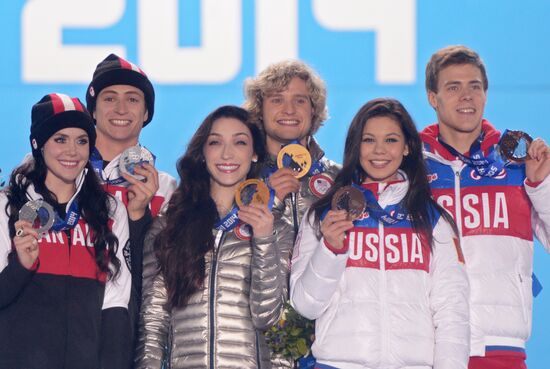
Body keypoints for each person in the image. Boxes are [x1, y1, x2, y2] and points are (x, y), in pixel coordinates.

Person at [290, 98, 470, 369]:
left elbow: (452, 312)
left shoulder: (433, 220)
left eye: (391, 140)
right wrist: (330, 250)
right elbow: (305, 306)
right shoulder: (324, 214)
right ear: (355, 146)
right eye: (368, 140)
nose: (379, 151)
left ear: (408, 146)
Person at [420, 45, 550, 369]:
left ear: (486, 94)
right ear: (432, 97)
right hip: (426, 344)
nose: (466, 96)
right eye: (453, 87)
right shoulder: (411, 167)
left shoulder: (518, 163)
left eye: (474, 86)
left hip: (501, 346)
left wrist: (541, 185)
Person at [135, 106, 294, 368]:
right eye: (215, 142)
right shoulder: (169, 225)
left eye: (240, 142)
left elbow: (268, 317)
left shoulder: (277, 226)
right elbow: (153, 322)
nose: (227, 153)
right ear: (202, 153)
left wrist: (264, 239)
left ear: (255, 153)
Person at [0, 93, 131, 369]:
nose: (72, 151)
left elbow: (115, 307)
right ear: (38, 144)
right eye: (60, 139)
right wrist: (20, 266)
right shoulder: (7, 206)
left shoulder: (110, 211)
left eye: (81, 140)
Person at [85, 53, 177, 343]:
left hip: (126, 330)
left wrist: (141, 217)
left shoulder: (165, 187)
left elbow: (163, 273)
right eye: (109, 98)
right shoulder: (59, 174)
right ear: (93, 111)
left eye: (133, 99)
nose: (121, 108)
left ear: (147, 113)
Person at [243, 59, 340, 233]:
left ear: (313, 109)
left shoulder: (340, 179)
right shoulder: (240, 177)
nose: (289, 110)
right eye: (277, 100)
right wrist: (270, 200)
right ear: (260, 110)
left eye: (300, 101)